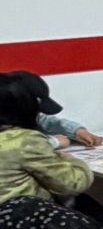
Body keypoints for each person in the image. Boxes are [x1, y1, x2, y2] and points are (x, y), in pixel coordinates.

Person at [0, 72, 95, 202]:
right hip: (24, 212)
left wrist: (76, 130)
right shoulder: (24, 140)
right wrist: (66, 158)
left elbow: (47, 121)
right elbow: (73, 183)